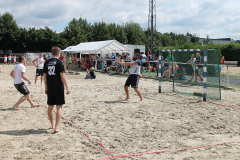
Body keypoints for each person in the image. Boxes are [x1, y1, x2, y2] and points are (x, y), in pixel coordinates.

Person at [43, 46, 70, 133]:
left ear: (52, 53)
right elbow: (62, 75)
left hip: (50, 87)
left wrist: (46, 87)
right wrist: (67, 87)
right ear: (59, 53)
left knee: (50, 107)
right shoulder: (60, 62)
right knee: (59, 106)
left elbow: (45, 76)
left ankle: (52, 124)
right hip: (58, 87)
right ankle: (56, 127)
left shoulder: (47, 62)